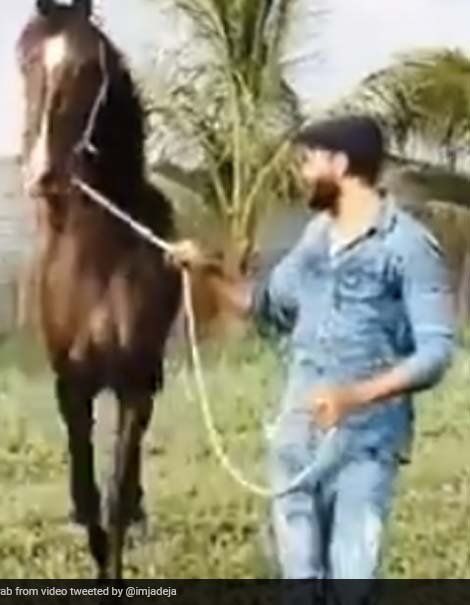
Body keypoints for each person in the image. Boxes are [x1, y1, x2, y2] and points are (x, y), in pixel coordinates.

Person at [167, 115, 456, 585]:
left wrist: (353, 398)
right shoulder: (313, 238)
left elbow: (436, 353)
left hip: (365, 446)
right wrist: (206, 270)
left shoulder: (407, 245)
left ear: (339, 164)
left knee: (351, 579)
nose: (301, 173)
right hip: (295, 440)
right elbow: (263, 306)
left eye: (309, 161)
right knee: (299, 580)